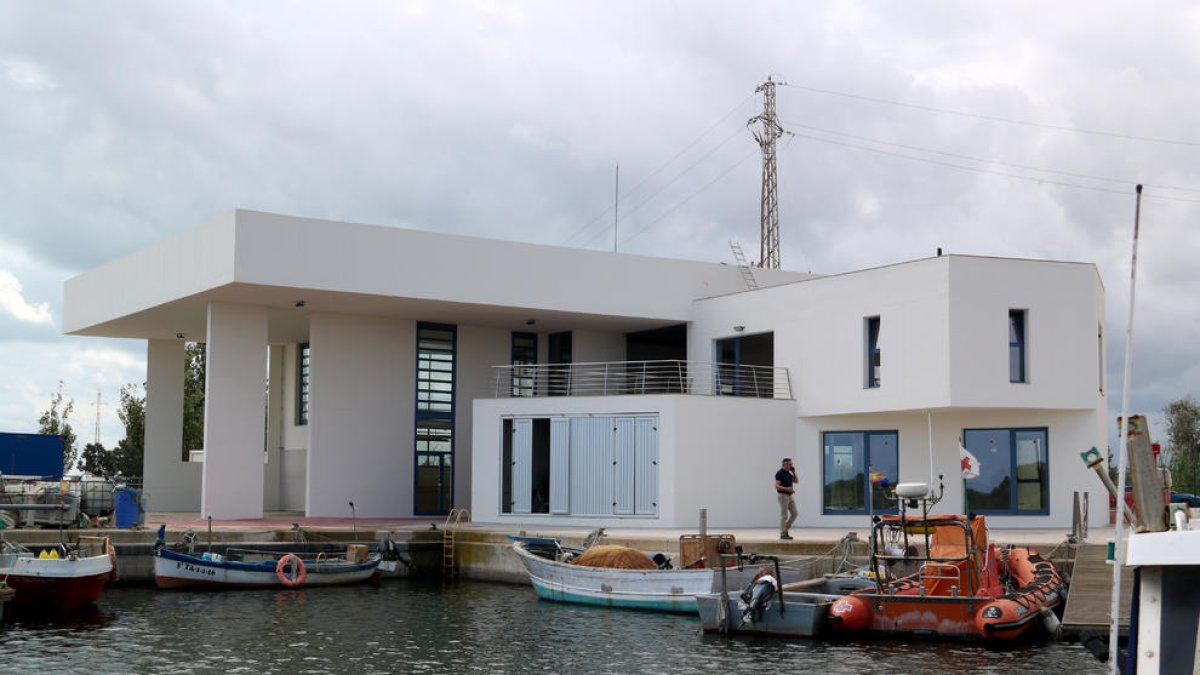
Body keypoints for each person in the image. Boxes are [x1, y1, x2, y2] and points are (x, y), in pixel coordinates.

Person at [775, 457, 799, 540]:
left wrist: (794, 472)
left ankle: (785, 529)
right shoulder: (779, 473)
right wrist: (787, 489)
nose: (791, 465)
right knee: (784, 515)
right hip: (783, 496)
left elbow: (796, 481)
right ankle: (783, 533)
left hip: (790, 496)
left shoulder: (789, 473)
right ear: (785, 464)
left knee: (795, 513)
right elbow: (776, 486)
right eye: (790, 464)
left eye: (791, 464)